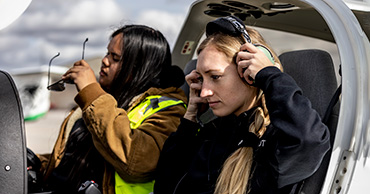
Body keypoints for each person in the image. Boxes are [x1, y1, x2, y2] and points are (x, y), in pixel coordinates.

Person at [154, 16, 330, 194]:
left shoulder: (274, 142)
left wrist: (270, 75)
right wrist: (190, 119)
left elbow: (309, 140)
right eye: (201, 78)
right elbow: (166, 186)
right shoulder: (213, 133)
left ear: (248, 73)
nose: (205, 92)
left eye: (215, 77)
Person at [33, 24, 187, 194]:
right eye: (107, 53)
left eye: (115, 58)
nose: (105, 61)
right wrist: (38, 162)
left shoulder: (169, 109)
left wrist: (90, 92)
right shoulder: (103, 101)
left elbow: (139, 162)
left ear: (139, 68)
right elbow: (77, 159)